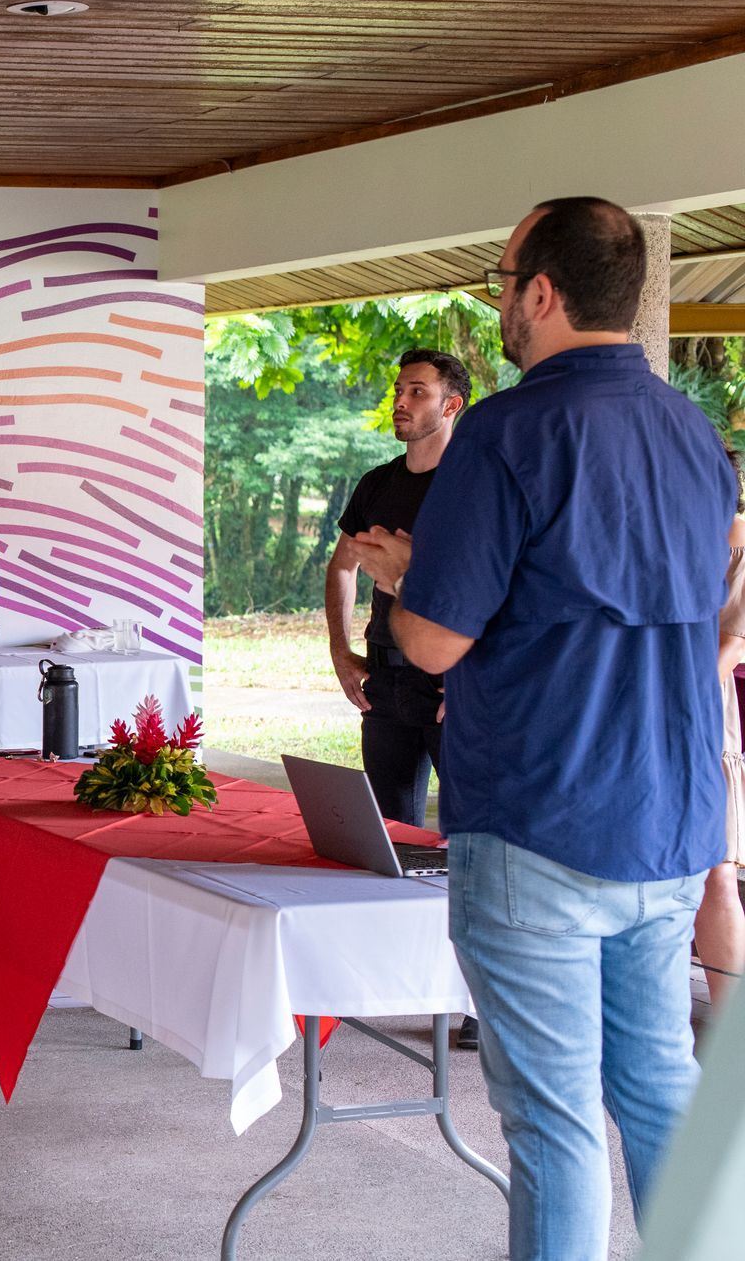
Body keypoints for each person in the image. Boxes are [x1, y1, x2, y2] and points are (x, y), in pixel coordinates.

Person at [355, 196, 733, 1259]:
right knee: (662, 1087)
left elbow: (431, 642)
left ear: (542, 292)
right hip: (666, 820)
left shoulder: (510, 430)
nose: (499, 299)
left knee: (557, 1122)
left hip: (540, 817)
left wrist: (403, 577)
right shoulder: (691, 429)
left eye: (502, 276)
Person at [326, 350, 481, 1051]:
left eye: (416, 390)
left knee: (471, 845)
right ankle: (389, 979)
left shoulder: (473, 485)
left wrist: (469, 675)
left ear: (451, 405)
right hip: (386, 679)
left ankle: (475, 1000)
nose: (401, 399)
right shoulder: (376, 483)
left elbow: (489, 586)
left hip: (456, 688)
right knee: (385, 838)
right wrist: (340, 650)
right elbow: (343, 568)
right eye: (398, 387)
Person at [703, 459, 745, 1012]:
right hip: (626, 724)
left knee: (715, 877)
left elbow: (727, 650)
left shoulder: (737, 545)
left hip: (700, 723)